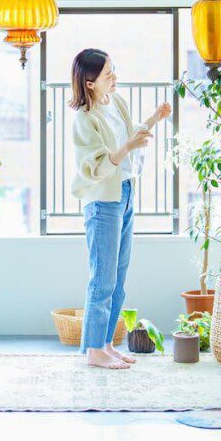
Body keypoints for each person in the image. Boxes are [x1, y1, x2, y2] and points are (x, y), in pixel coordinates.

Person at [69, 48, 171, 369]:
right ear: (89, 82)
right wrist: (128, 146)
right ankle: (94, 350)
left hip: (125, 193)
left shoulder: (117, 103)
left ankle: (106, 344)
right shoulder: (85, 120)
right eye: (108, 74)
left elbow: (131, 135)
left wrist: (154, 117)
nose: (115, 77)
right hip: (102, 201)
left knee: (119, 276)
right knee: (102, 278)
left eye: (114, 70)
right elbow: (96, 165)